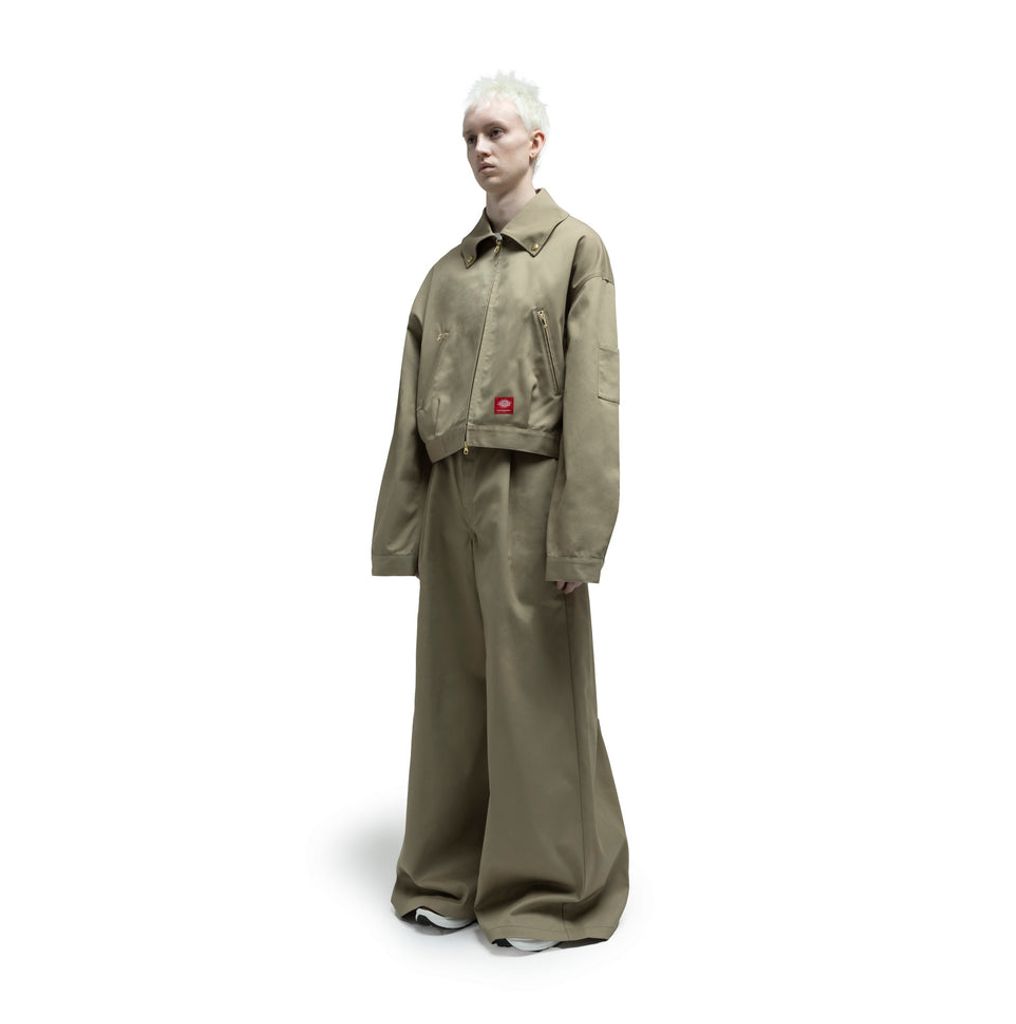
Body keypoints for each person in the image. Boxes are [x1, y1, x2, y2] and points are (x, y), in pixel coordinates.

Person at [370, 70, 629, 953]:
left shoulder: (576, 250)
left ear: (535, 143)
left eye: (496, 132)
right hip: (452, 499)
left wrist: (579, 536)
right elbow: (409, 411)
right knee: (451, 694)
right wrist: (402, 530)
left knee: (535, 694)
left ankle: (545, 891)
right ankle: (445, 873)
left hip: (533, 493)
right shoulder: (444, 276)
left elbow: (595, 400)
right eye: (470, 136)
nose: (481, 148)